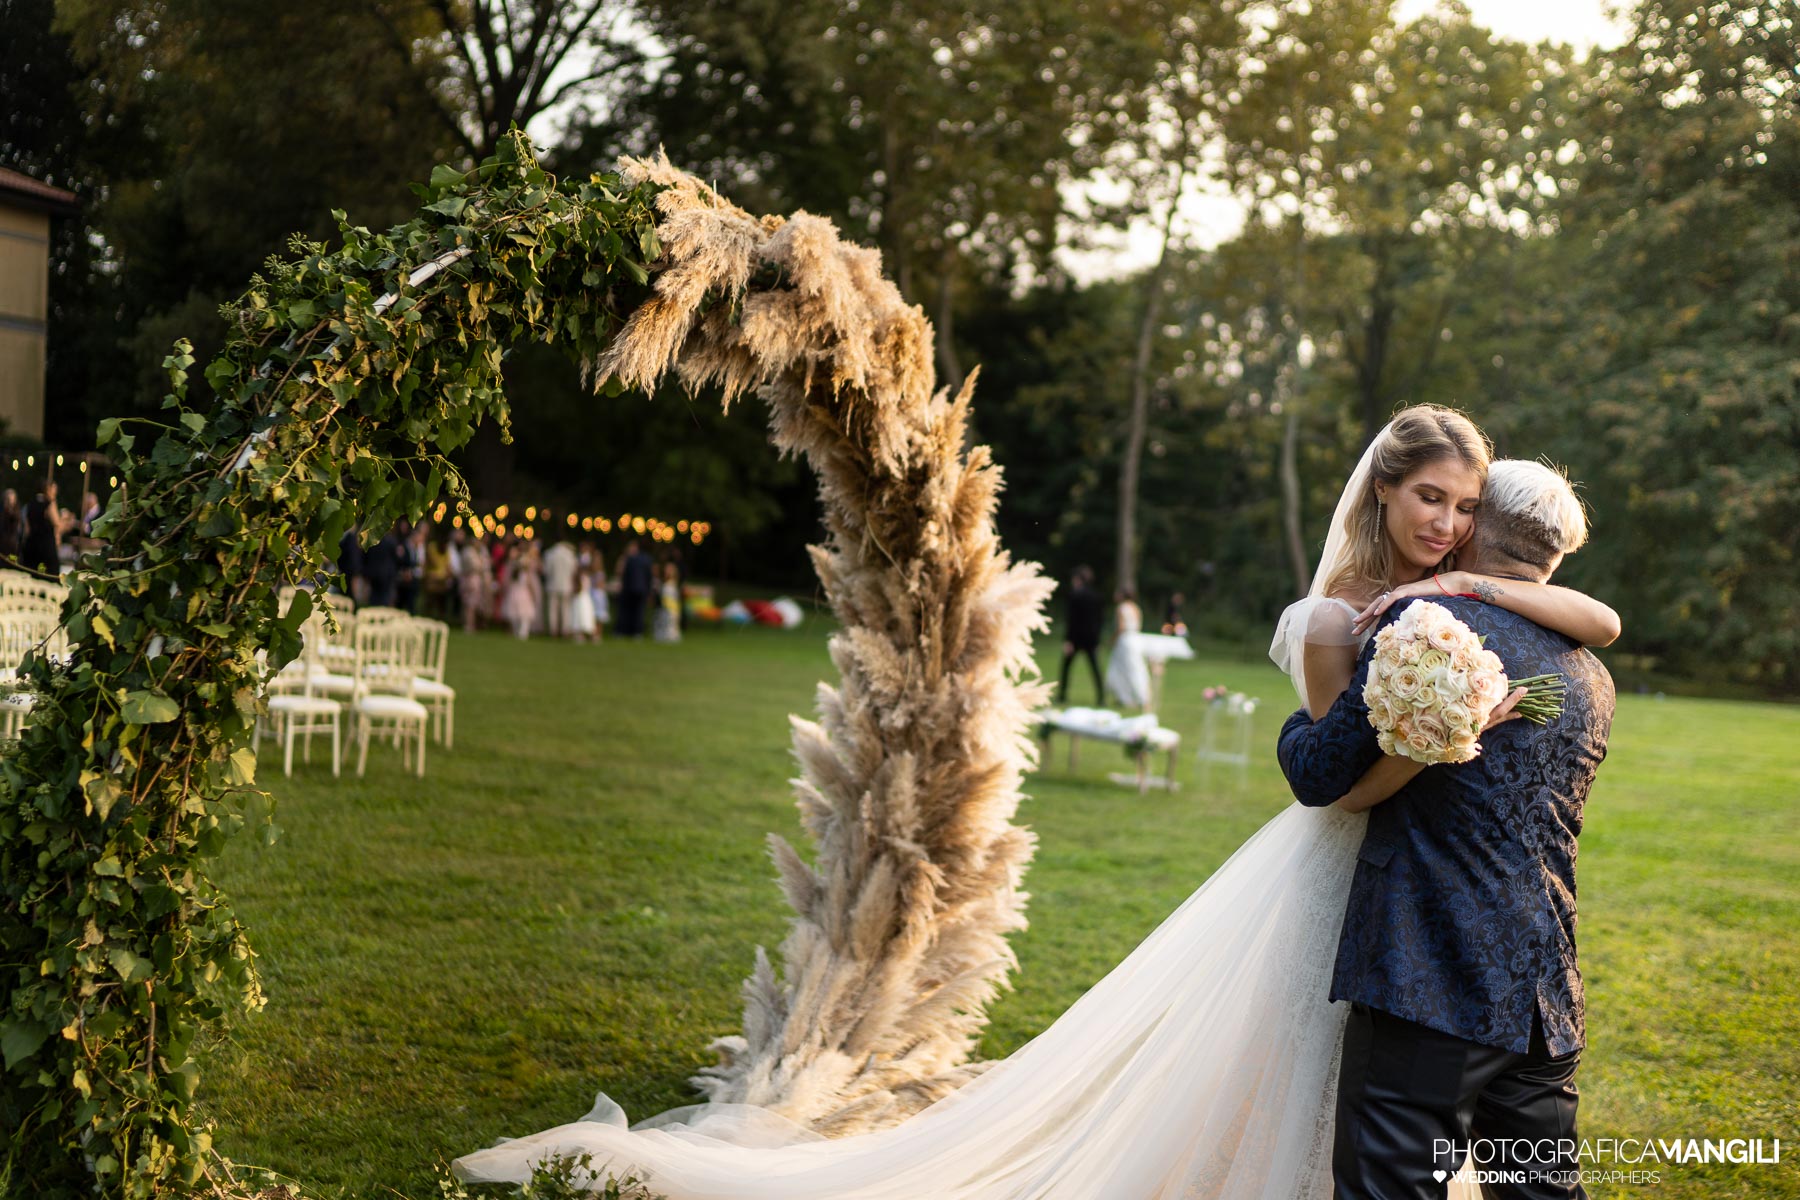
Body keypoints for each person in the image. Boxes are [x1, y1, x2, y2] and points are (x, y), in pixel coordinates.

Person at [454, 407, 1621, 1199]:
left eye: (1465, 506)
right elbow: (1332, 775)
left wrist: (1466, 600)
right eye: (1429, 499)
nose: (1447, 524)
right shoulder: (1346, 615)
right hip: (1351, 854)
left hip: (1425, 899)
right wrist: (1433, 739)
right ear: (1384, 491)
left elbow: (1595, 621)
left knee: (1383, 1112)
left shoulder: (1470, 610)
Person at [1278, 457, 1616, 1198]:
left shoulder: (1430, 629)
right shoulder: (1591, 671)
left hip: (1426, 972)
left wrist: (1299, 723)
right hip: (1545, 986)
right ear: (1555, 553)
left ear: (1476, 527)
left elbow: (1316, 774)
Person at [1056, 565, 1103, 706]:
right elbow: (1100, 621)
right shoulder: (1096, 596)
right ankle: (1101, 698)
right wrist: (1097, 641)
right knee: (1095, 669)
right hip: (1091, 639)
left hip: (1076, 639)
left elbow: (1072, 620)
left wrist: (1068, 640)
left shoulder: (1074, 596)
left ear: (1078, 580)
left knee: (1066, 668)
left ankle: (1062, 695)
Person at [22, 481, 70, 574]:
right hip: (46, 545)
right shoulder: (49, 504)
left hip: (32, 542)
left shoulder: (31, 503)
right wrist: (65, 520)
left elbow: (27, 526)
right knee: (52, 572)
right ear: (48, 490)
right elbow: (57, 523)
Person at [616, 539, 655, 638]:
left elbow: (623, 575)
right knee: (636, 611)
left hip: (633, 589)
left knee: (635, 611)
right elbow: (649, 576)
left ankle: (631, 631)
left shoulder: (629, 559)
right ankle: (635, 631)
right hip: (638, 589)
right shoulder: (646, 559)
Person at [543, 539, 579, 638]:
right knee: (565, 609)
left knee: (552, 609)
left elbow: (546, 571)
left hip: (552, 585)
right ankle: (565, 630)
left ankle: (553, 630)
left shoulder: (550, 554)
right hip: (566, 585)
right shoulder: (569, 555)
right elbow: (574, 571)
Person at [651, 561, 682, 643]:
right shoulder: (664, 583)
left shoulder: (671, 584)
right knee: (663, 623)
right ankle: (663, 636)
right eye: (666, 569)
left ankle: (670, 637)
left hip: (671, 608)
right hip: (664, 607)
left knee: (671, 624)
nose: (667, 571)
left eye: (669, 569)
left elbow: (673, 598)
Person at [0, 489, 26, 564]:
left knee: (12, 561)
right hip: (2, 543)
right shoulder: (2, 511)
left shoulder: (17, 512)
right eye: (8, 499)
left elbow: (19, 526)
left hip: (13, 544)